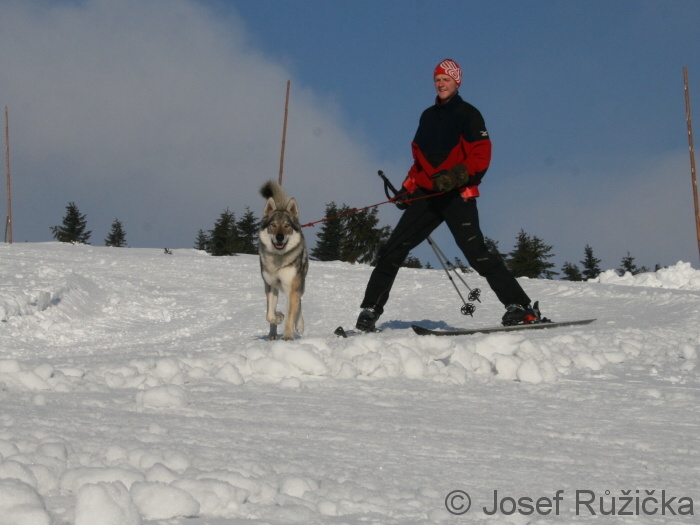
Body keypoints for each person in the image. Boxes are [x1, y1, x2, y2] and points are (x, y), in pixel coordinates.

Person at [355, 58, 542, 332]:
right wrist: (408, 188)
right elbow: (419, 159)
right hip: (427, 196)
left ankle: (521, 307)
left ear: (457, 82)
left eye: (447, 79)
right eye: (438, 80)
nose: (441, 84)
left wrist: (456, 175)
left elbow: (481, 155)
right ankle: (369, 310)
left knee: (477, 254)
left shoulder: (469, 114)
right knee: (392, 250)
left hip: (457, 195)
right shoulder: (427, 116)